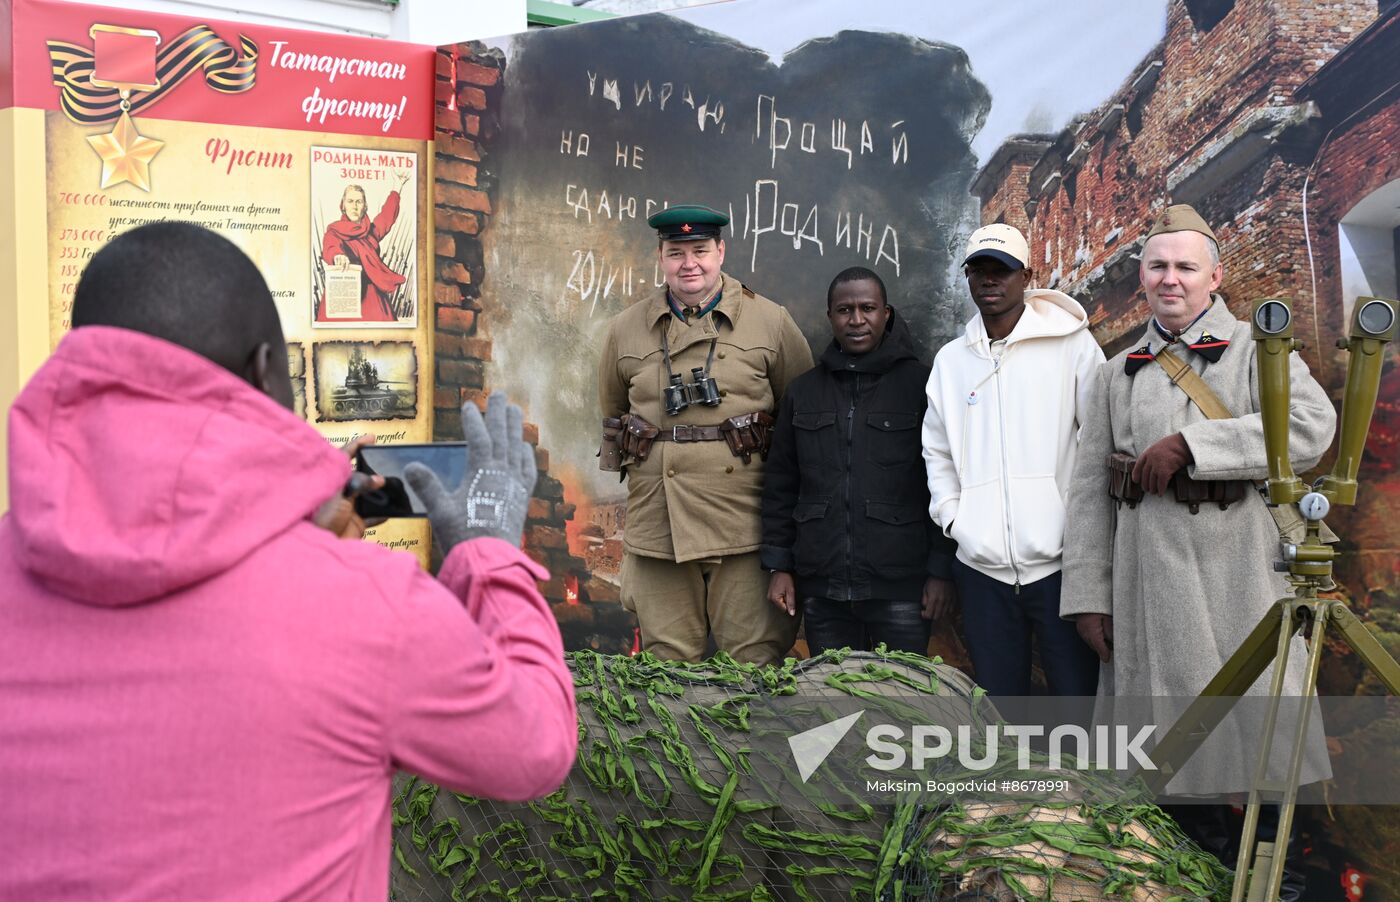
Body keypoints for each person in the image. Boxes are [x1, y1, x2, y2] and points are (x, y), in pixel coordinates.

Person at [0, 223, 576, 900]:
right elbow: (532, 746)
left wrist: (291, 524)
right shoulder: (371, 608)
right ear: (264, 369)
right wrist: (489, 553)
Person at [1061, 204, 1335, 895]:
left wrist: (1195, 444)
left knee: (1264, 741)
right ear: (1140, 279)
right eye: (1158, 266)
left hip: (1244, 577)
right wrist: (1089, 598)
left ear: (1215, 277)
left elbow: (1311, 428)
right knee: (1169, 757)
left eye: (1186, 267)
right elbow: (1091, 490)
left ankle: (1280, 879)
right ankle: (1195, 877)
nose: (1171, 279)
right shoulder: (1115, 370)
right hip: (1150, 585)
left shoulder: (1256, 350)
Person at [597, 204, 813, 665]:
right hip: (659, 525)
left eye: (700, 250)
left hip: (744, 524)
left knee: (754, 664)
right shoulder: (625, 330)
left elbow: (802, 421)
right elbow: (614, 412)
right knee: (666, 666)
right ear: (660, 256)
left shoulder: (770, 322)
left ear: (721, 251)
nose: (689, 263)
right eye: (676, 252)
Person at [921, 223, 1105, 696]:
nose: (989, 280)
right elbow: (936, 450)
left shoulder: (1072, 345)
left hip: (1061, 567)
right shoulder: (950, 361)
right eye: (978, 270)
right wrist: (955, 520)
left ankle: (1081, 777)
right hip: (981, 570)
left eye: (1001, 270)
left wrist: (1077, 528)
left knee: (1076, 704)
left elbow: (1100, 442)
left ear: (1026, 274)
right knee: (1004, 712)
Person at [761, 267, 957, 655]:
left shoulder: (922, 387)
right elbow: (781, 485)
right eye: (844, 310)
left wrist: (940, 571)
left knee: (901, 702)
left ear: (887, 313)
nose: (856, 320)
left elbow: (944, 482)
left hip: (902, 589)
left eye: (868, 308)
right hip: (823, 590)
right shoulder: (804, 393)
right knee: (836, 708)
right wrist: (779, 566)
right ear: (830, 316)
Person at [317, 171, 410, 323]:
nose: (354, 206)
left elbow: (386, 217)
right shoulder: (334, 231)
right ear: (343, 205)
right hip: (344, 295)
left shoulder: (370, 233)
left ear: (365, 206)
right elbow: (331, 246)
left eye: (359, 202)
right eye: (350, 201)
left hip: (373, 298)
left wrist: (397, 186)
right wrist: (337, 256)